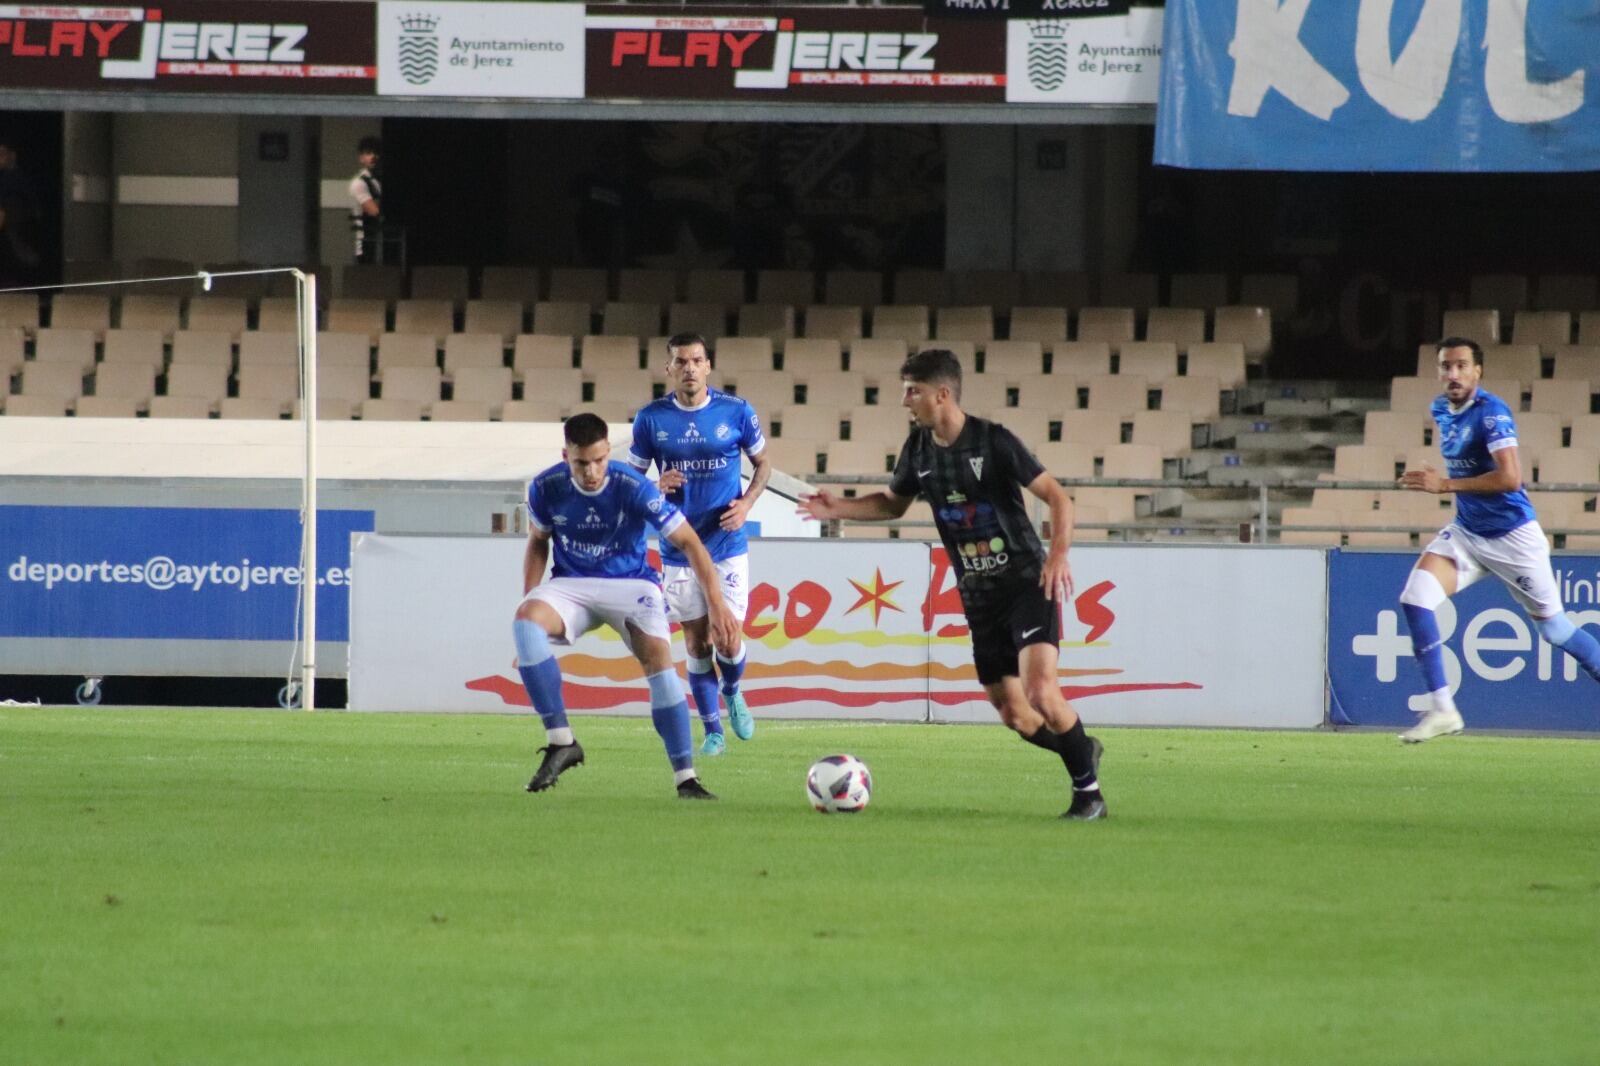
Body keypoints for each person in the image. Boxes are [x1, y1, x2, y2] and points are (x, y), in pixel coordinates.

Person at [796, 348, 1107, 820]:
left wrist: (1058, 555)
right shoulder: (917, 451)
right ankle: (1080, 747)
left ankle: (1089, 795)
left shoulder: (994, 441)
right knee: (1015, 715)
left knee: (1042, 692)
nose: (905, 401)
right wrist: (837, 507)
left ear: (942, 394)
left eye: (912, 391)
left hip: (1026, 583)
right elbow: (892, 504)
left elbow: (1058, 497)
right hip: (978, 597)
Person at [515, 412, 740, 798]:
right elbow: (538, 541)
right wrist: (531, 605)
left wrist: (717, 606)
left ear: (608, 452)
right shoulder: (545, 487)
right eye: (581, 462)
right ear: (565, 455)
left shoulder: (632, 485)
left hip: (631, 584)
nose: (591, 471)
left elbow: (690, 542)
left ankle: (685, 778)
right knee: (524, 623)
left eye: (599, 460)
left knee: (660, 665)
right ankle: (562, 741)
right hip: (572, 584)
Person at [1396, 337, 1600, 742]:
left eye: (1461, 366)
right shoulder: (1440, 409)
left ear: (1477, 371)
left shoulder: (1492, 413)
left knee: (1557, 631)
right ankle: (1443, 710)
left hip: (1513, 539)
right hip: (1468, 534)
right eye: (1445, 367)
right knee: (1415, 598)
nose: (1452, 374)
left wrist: (1445, 485)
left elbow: (1511, 478)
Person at [627, 333, 771, 756]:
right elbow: (631, 482)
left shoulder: (736, 411)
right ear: (668, 368)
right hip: (676, 546)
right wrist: (654, 484)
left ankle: (733, 691)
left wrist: (747, 504)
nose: (689, 367)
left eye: (696, 360)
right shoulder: (651, 419)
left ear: (708, 366)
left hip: (725, 541)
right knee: (696, 644)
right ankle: (712, 731)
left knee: (726, 637)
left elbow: (764, 464)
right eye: (680, 361)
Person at [347, 136, 383, 264]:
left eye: (376, 153)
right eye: (368, 153)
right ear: (361, 158)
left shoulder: (377, 181)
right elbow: (373, 211)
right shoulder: (359, 182)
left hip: (381, 239)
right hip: (366, 242)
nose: (373, 157)